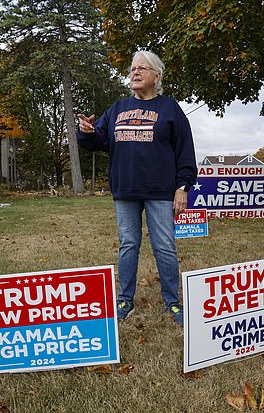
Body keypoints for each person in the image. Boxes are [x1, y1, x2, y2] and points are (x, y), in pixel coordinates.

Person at [77, 50, 198, 326]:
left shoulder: (170, 109)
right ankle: (125, 299)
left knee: (165, 246)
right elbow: (98, 139)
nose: (135, 72)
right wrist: (86, 132)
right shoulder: (118, 109)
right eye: (132, 68)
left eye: (142, 68)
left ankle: (172, 302)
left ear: (157, 76)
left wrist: (183, 186)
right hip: (126, 190)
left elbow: (185, 152)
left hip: (160, 190)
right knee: (128, 244)